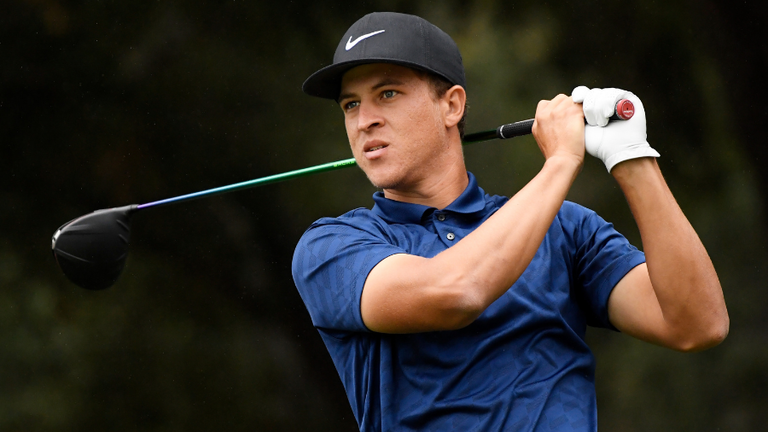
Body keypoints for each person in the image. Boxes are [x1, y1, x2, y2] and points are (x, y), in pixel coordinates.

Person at [292, 11, 728, 432]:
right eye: (351, 104)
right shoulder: (331, 247)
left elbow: (697, 324)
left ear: (451, 105)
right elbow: (456, 292)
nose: (364, 121)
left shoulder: (564, 229)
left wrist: (631, 157)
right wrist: (561, 161)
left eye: (387, 94)